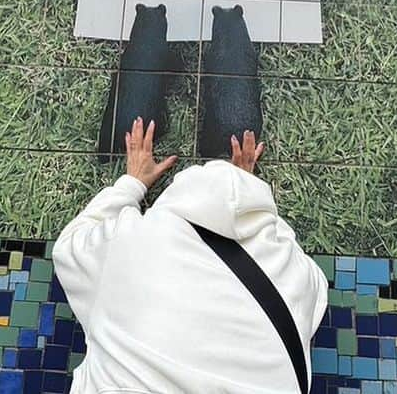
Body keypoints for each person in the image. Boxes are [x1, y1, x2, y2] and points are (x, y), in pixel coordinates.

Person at [52, 118, 328, 393]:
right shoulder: (292, 273)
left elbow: (69, 247)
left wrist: (132, 183)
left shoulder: (133, 239)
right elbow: (314, 284)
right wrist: (249, 202)